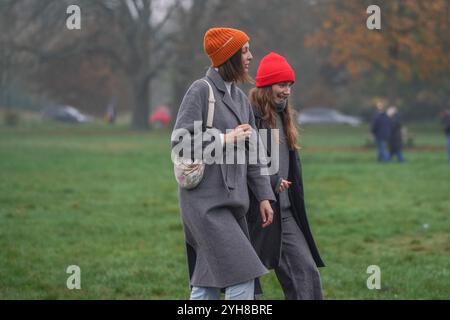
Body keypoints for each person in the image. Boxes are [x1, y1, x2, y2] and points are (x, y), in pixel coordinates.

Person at [171, 27, 276, 300]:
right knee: (243, 274)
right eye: (244, 51)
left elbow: (255, 153)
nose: (250, 56)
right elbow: (180, 143)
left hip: (234, 204)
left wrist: (264, 196)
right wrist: (225, 137)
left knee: (206, 283)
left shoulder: (241, 99)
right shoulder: (200, 90)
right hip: (204, 204)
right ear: (229, 56)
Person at [247, 52, 325, 300]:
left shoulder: (285, 116)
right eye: (282, 85)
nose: (287, 91)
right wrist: (271, 183)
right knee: (245, 286)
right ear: (266, 86)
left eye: (290, 85)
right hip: (254, 215)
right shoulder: (249, 116)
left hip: (286, 213)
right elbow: (243, 163)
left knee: (306, 274)